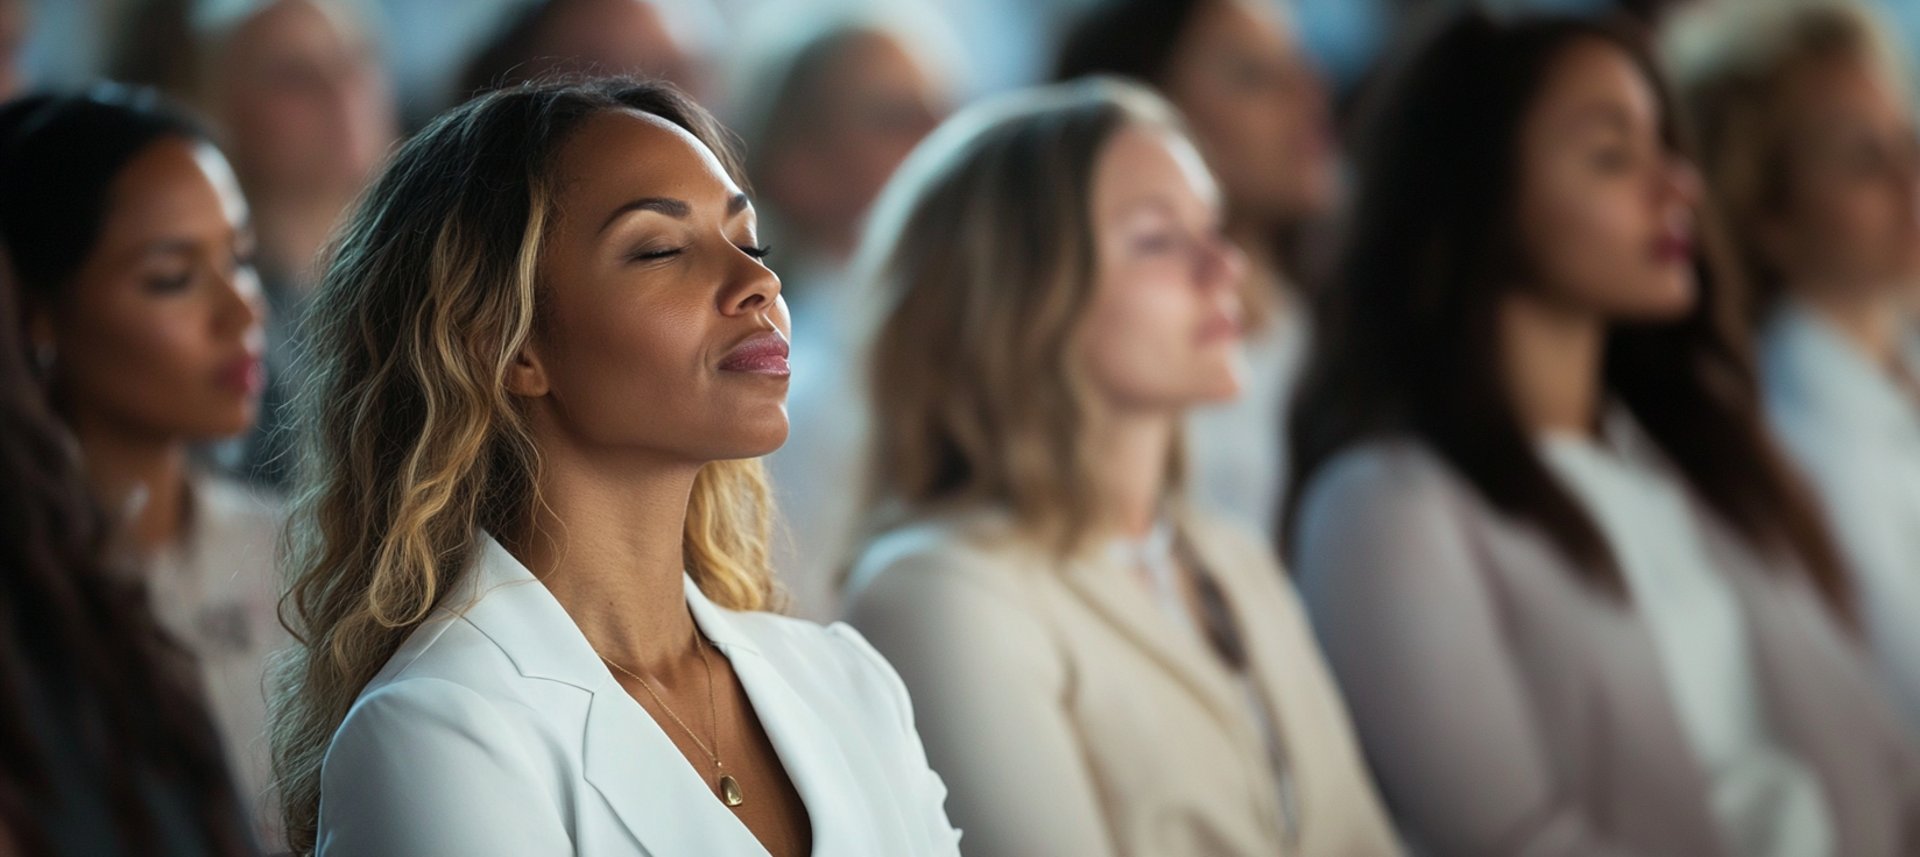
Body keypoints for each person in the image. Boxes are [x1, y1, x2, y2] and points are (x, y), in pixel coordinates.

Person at [269, 78, 960, 857]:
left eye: (749, 242)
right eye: (661, 250)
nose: (757, 283)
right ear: (509, 344)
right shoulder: (438, 726)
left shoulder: (847, 680)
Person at [1284, 10, 1920, 856]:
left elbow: (1883, 766)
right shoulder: (1388, 509)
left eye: (1667, 146)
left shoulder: (1698, 458)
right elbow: (1514, 841)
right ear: (1477, 192)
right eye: (1611, 156)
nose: (1678, 187)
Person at [844, 78, 1400, 857]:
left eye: (1213, 227)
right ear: (1019, 295)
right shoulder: (939, 593)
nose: (1225, 266)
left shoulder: (1230, 559)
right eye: (1158, 239)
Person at [0, 87, 286, 848]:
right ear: (35, 315)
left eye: (242, 260)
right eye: (172, 277)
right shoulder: (28, 620)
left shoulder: (307, 558)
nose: (241, 310)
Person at [1669, 0, 1920, 739]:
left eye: (1909, 141)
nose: (1914, 183)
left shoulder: (1894, 370)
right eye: (1863, 158)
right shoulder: (1796, 442)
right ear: (1764, 213)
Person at [1056, 0, 1339, 534]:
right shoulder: (1118, 363)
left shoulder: (1331, 321)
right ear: (1146, 104)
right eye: (1254, 76)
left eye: (1301, 63)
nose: (1310, 94)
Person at [735, 10, 955, 619]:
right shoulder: (801, 388)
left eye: (943, 107)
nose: (943, 132)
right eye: (895, 118)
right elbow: (795, 613)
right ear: (799, 166)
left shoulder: (955, 341)